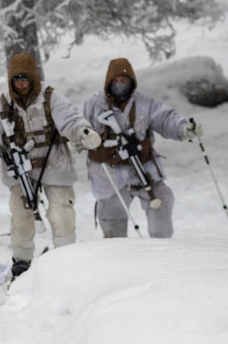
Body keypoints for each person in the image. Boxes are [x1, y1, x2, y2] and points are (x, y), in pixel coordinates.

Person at [0, 52, 102, 277]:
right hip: (19, 167)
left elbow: (71, 120)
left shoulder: (51, 97)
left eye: (25, 78)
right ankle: (21, 259)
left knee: (61, 210)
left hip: (53, 161)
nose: (21, 83)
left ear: (34, 77)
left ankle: (66, 255)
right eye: (16, 79)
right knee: (20, 214)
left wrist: (83, 133)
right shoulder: (4, 103)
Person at [82, 57, 202, 239]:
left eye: (125, 81)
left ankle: (161, 251)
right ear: (109, 82)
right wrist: (80, 140)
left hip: (144, 170)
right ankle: (117, 258)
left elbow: (165, 119)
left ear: (132, 82)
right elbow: (77, 127)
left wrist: (184, 129)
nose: (120, 85)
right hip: (109, 176)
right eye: (117, 81)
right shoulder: (93, 105)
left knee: (162, 201)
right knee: (111, 222)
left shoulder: (144, 103)